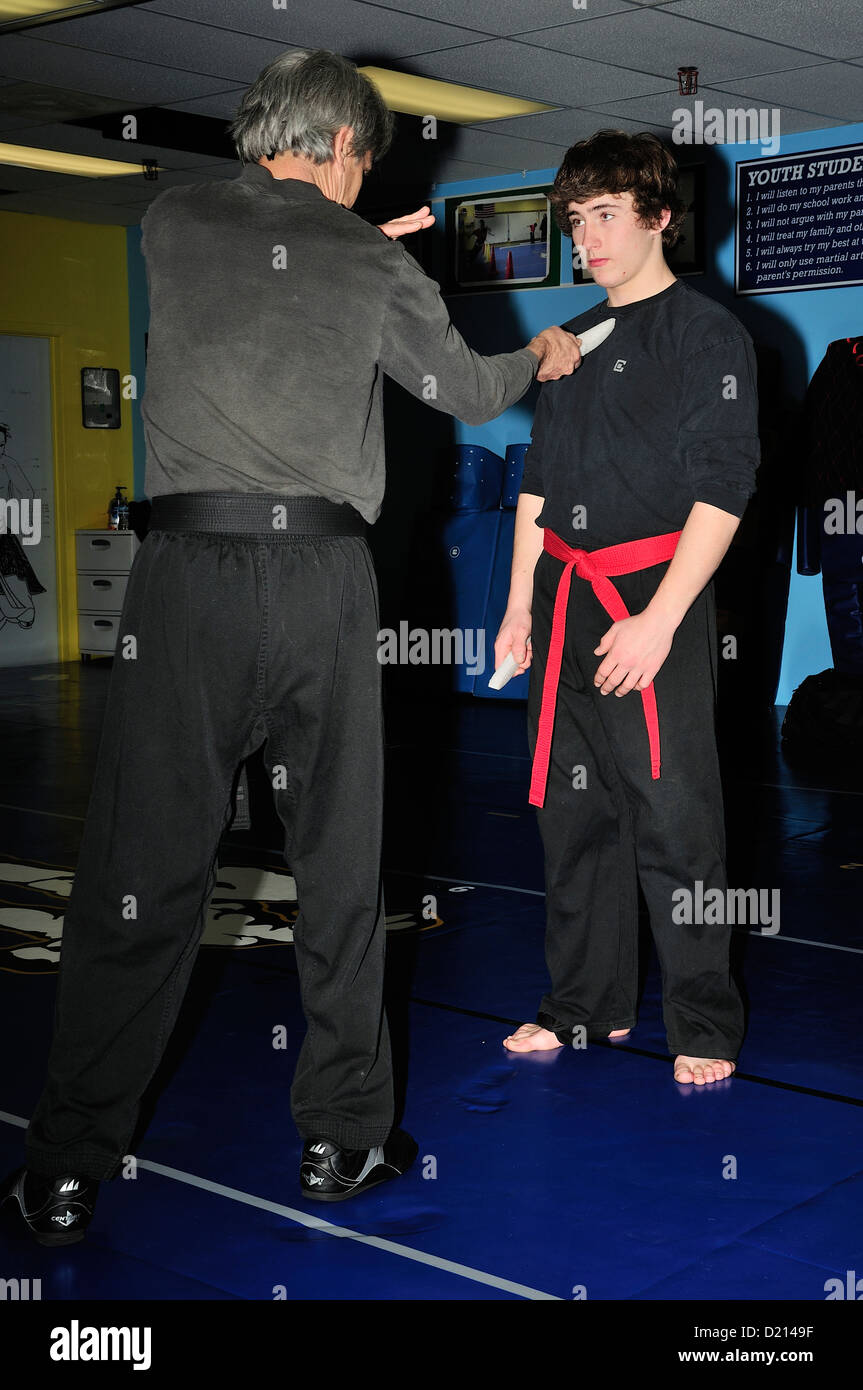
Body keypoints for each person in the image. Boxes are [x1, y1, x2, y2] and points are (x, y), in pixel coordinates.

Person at [2, 48, 581, 1246]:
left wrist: (361, 245)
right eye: (363, 160)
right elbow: (472, 394)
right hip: (318, 580)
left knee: (139, 876)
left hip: (184, 582)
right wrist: (541, 353)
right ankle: (341, 1138)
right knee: (337, 865)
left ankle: (63, 1168)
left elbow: (273, 272)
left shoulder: (171, 218)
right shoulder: (366, 254)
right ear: (341, 147)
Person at [495, 130, 760, 1085]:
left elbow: (725, 488)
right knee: (573, 820)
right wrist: (518, 603)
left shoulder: (706, 335)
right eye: (574, 219)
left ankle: (700, 1022)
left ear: (659, 218)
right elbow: (537, 481)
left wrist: (659, 621)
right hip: (566, 598)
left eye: (605, 215)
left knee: (673, 816)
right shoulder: (571, 340)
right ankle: (581, 1008)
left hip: (655, 597)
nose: (586, 237)